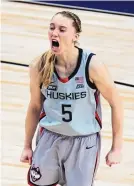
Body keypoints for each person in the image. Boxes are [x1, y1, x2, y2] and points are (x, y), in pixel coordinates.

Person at [20, 11, 123, 186]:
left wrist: (116, 148)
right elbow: (35, 107)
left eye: (62, 29)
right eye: (52, 28)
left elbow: (116, 103)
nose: (54, 33)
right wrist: (27, 145)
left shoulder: (92, 65)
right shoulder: (39, 65)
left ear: (75, 36)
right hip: (49, 139)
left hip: (84, 143)